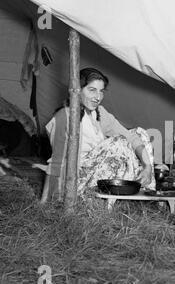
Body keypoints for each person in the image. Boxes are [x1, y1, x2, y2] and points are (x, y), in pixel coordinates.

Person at [42, 67, 155, 201]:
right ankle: (103, 197)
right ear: (78, 90)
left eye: (101, 91)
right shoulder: (64, 116)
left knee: (139, 133)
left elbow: (131, 137)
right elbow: (56, 162)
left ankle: (148, 190)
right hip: (78, 180)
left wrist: (147, 167)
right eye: (92, 90)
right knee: (117, 143)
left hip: (102, 173)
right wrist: (46, 199)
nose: (98, 97)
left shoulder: (100, 113)